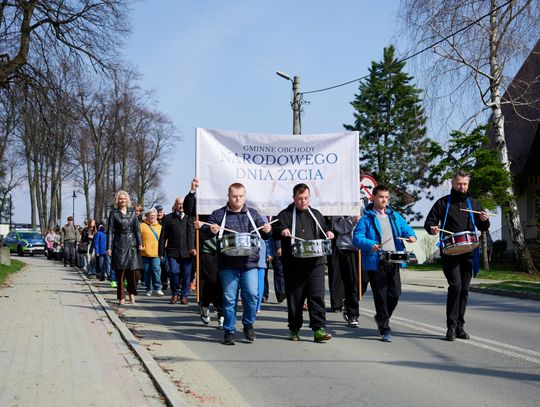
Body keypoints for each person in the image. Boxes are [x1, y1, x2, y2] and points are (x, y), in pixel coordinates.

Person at [424, 170, 490, 341]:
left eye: (465, 184)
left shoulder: (474, 203)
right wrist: (432, 228)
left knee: (465, 289)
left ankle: (460, 327)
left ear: (468, 185)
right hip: (450, 252)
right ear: (453, 184)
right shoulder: (442, 203)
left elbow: (483, 227)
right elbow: (429, 222)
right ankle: (451, 327)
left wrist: (485, 220)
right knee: (456, 287)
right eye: (459, 183)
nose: (462, 187)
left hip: (469, 252)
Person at [202, 183, 271, 345]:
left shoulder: (253, 214)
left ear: (245, 196)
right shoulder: (219, 214)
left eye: (240, 196)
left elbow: (264, 234)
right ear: (228, 196)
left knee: (252, 295)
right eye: (234, 196)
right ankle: (229, 330)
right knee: (229, 298)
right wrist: (210, 230)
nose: (237, 199)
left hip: (249, 263)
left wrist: (267, 230)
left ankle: (248, 325)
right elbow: (205, 231)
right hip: (228, 263)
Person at [353, 184, 416, 342]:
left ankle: (381, 317)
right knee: (380, 296)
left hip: (394, 260)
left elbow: (406, 228)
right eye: (381, 197)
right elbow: (357, 238)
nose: (384, 200)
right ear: (373, 197)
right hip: (377, 261)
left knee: (395, 294)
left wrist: (411, 236)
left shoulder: (394, 216)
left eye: (386, 197)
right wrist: (370, 244)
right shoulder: (366, 218)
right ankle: (384, 328)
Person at [273, 183, 335, 343]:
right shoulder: (285, 215)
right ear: (293, 198)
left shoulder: (316, 214)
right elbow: (275, 228)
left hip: (315, 264)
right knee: (295, 298)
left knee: (317, 296)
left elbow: (325, 228)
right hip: (294, 265)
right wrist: (282, 230)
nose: (303, 201)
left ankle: (319, 329)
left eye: (306, 198)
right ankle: (294, 328)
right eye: (300, 198)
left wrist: (328, 232)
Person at [185, 177, 224, 329]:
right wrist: (192, 191)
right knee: (211, 281)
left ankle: (222, 313)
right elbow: (189, 210)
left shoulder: (227, 206)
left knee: (223, 283)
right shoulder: (202, 203)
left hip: (225, 251)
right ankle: (205, 305)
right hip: (207, 250)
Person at [106, 190, 143, 305]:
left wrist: (140, 243)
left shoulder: (133, 212)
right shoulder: (114, 213)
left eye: (124, 198)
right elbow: (110, 231)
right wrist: (109, 247)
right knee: (121, 272)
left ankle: (131, 292)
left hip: (132, 244)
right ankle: (121, 296)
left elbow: (137, 229)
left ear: (128, 200)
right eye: (120, 198)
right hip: (119, 244)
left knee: (134, 271)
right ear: (117, 200)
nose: (123, 200)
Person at [158, 197, 196, 305]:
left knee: (187, 275)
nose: (181, 206)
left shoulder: (190, 217)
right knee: (174, 272)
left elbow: (195, 235)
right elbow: (163, 236)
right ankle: (175, 293)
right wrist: (160, 252)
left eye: (183, 204)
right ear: (175, 205)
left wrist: (195, 248)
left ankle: (184, 295)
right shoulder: (168, 218)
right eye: (178, 204)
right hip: (172, 251)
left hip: (187, 252)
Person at [333, 215, 368, 327]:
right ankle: (352, 314)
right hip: (347, 247)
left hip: (364, 247)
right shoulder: (341, 207)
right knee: (352, 281)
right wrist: (352, 220)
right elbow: (338, 227)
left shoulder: (367, 206)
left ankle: (348, 302)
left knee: (364, 280)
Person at [140, 208, 164, 296]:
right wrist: (141, 245)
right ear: (147, 216)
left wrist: (162, 249)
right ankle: (148, 289)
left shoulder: (160, 227)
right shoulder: (142, 226)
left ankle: (157, 288)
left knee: (156, 269)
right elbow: (138, 237)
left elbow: (164, 239)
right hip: (145, 253)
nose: (152, 217)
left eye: (154, 216)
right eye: (150, 216)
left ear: (157, 216)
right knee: (146, 271)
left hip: (156, 253)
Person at [156, 204, 170, 291]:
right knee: (160, 265)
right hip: (156, 246)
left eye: (160, 212)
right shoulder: (153, 221)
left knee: (166, 265)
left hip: (166, 246)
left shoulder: (167, 220)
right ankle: (163, 281)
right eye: (157, 212)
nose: (159, 214)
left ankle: (166, 280)